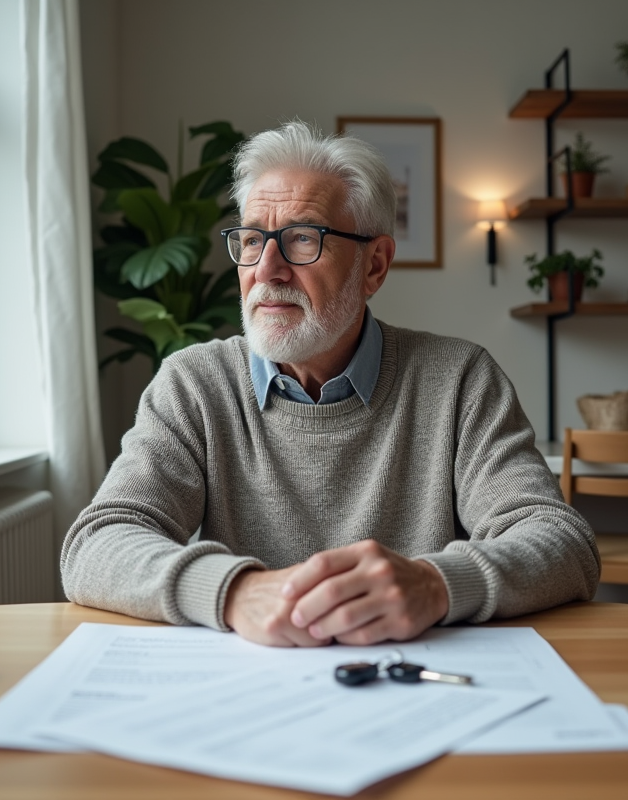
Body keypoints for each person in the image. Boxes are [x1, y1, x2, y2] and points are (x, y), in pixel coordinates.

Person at [62, 121, 599, 647]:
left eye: (302, 239)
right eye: (251, 239)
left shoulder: (459, 380)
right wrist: (234, 592)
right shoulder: (194, 385)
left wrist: (436, 584)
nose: (266, 269)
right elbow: (96, 544)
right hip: (252, 683)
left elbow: (561, 541)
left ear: (374, 265)